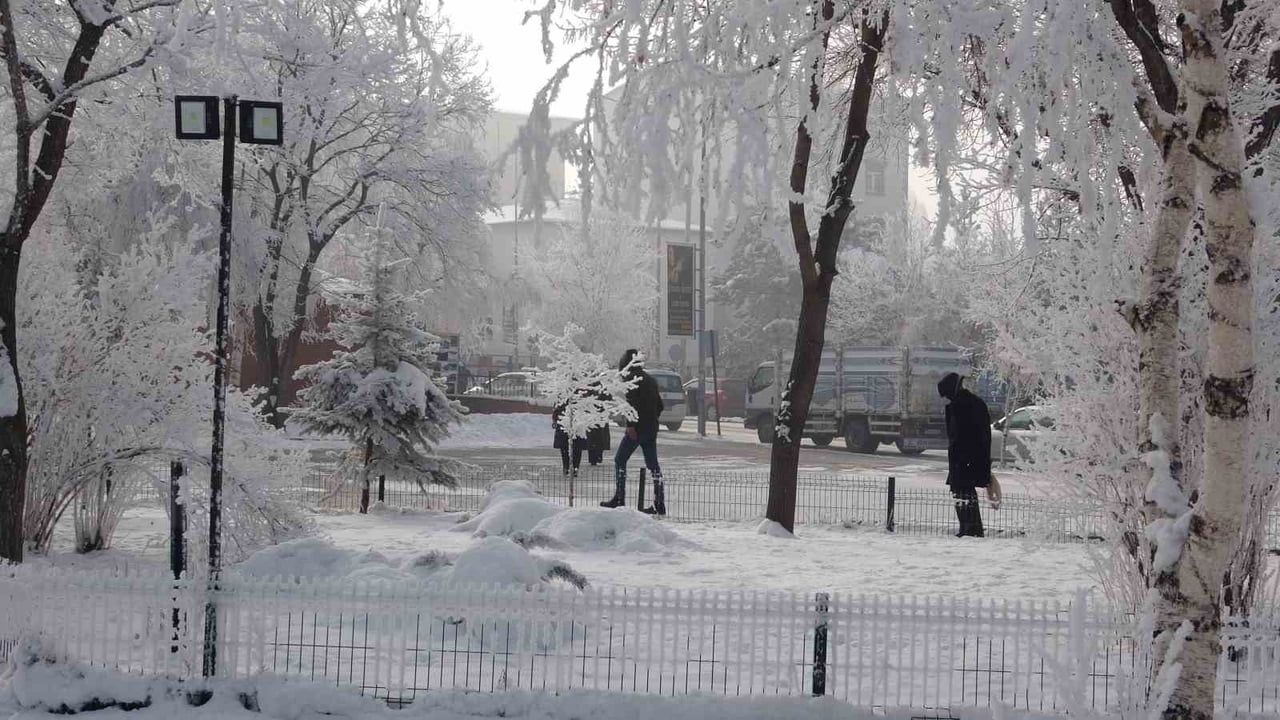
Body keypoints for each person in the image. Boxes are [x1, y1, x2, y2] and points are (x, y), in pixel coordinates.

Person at [601, 349, 665, 514]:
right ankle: (659, 503)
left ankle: (620, 498)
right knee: (653, 465)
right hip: (651, 427)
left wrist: (631, 425)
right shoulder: (650, 380)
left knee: (620, 459)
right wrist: (652, 419)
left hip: (637, 428)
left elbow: (632, 405)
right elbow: (660, 406)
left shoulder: (631, 379)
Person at [938, 372, 992, 537]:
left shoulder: (962, 406)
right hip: (970, 460)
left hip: (964, 460)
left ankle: (969, 529)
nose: (946, 399)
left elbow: (960, 437)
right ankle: (971, 528)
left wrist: (962, 459)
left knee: (962, 492)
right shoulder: (973, 403)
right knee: (965, 493)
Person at [551, 397, 588, 478]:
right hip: (565, 423)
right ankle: (569, 468)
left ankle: (572, 468)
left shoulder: (579, 395)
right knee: (568, 448)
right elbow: (556, 409)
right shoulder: (563, 393)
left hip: (576, 424)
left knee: (575, 448)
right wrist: (554, 420)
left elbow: (556, 409)